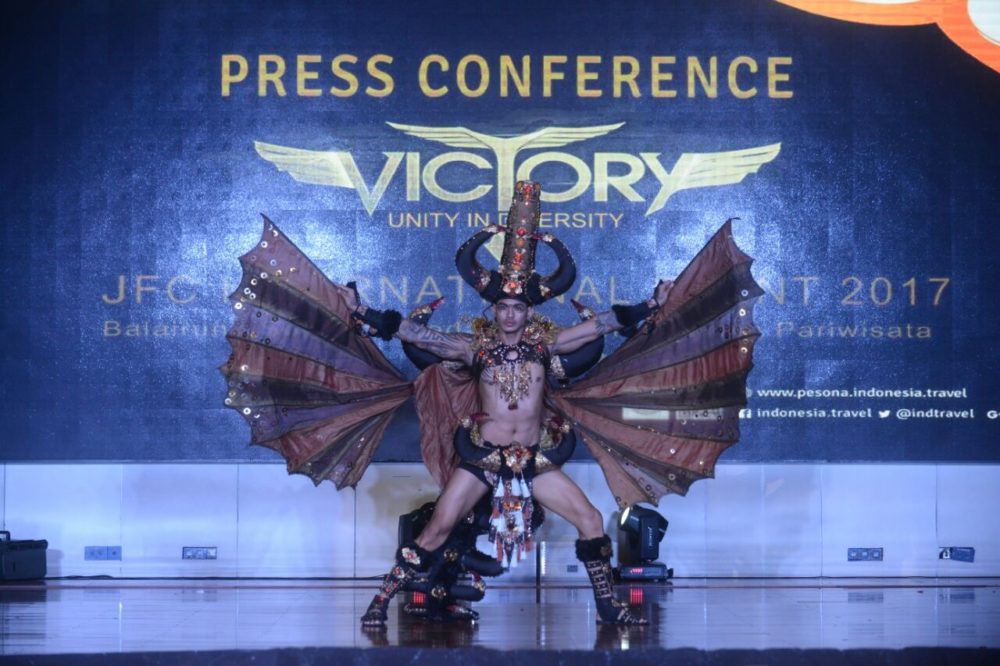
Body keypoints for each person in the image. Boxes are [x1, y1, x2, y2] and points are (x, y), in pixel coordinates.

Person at [349, 181, 670, 628]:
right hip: (483, 458)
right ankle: (380, 602)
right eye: (503, 307)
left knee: (591, 519)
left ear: (529, 312)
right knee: (436, 529)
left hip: (534, 459)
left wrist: (652, 304)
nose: (511, 314)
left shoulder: (545, 345)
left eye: (518, 307)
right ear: (494, 311)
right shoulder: (474, 348)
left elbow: (599, 326)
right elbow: (418, 334)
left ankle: (607, 606)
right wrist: (363, 312)